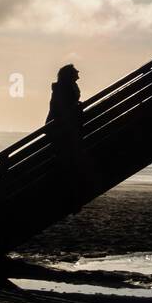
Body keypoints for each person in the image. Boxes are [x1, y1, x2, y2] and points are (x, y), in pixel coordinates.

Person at [47, 64, 96, 211]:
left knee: (69, 160)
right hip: (63, 129)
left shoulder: (65, 86)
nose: (78, 73)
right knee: (68, 160)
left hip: (65, 128)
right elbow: (61, 108)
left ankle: (72, 194)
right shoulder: (64, 88)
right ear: (69, 74)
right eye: (75, 71)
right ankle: (70, 195)